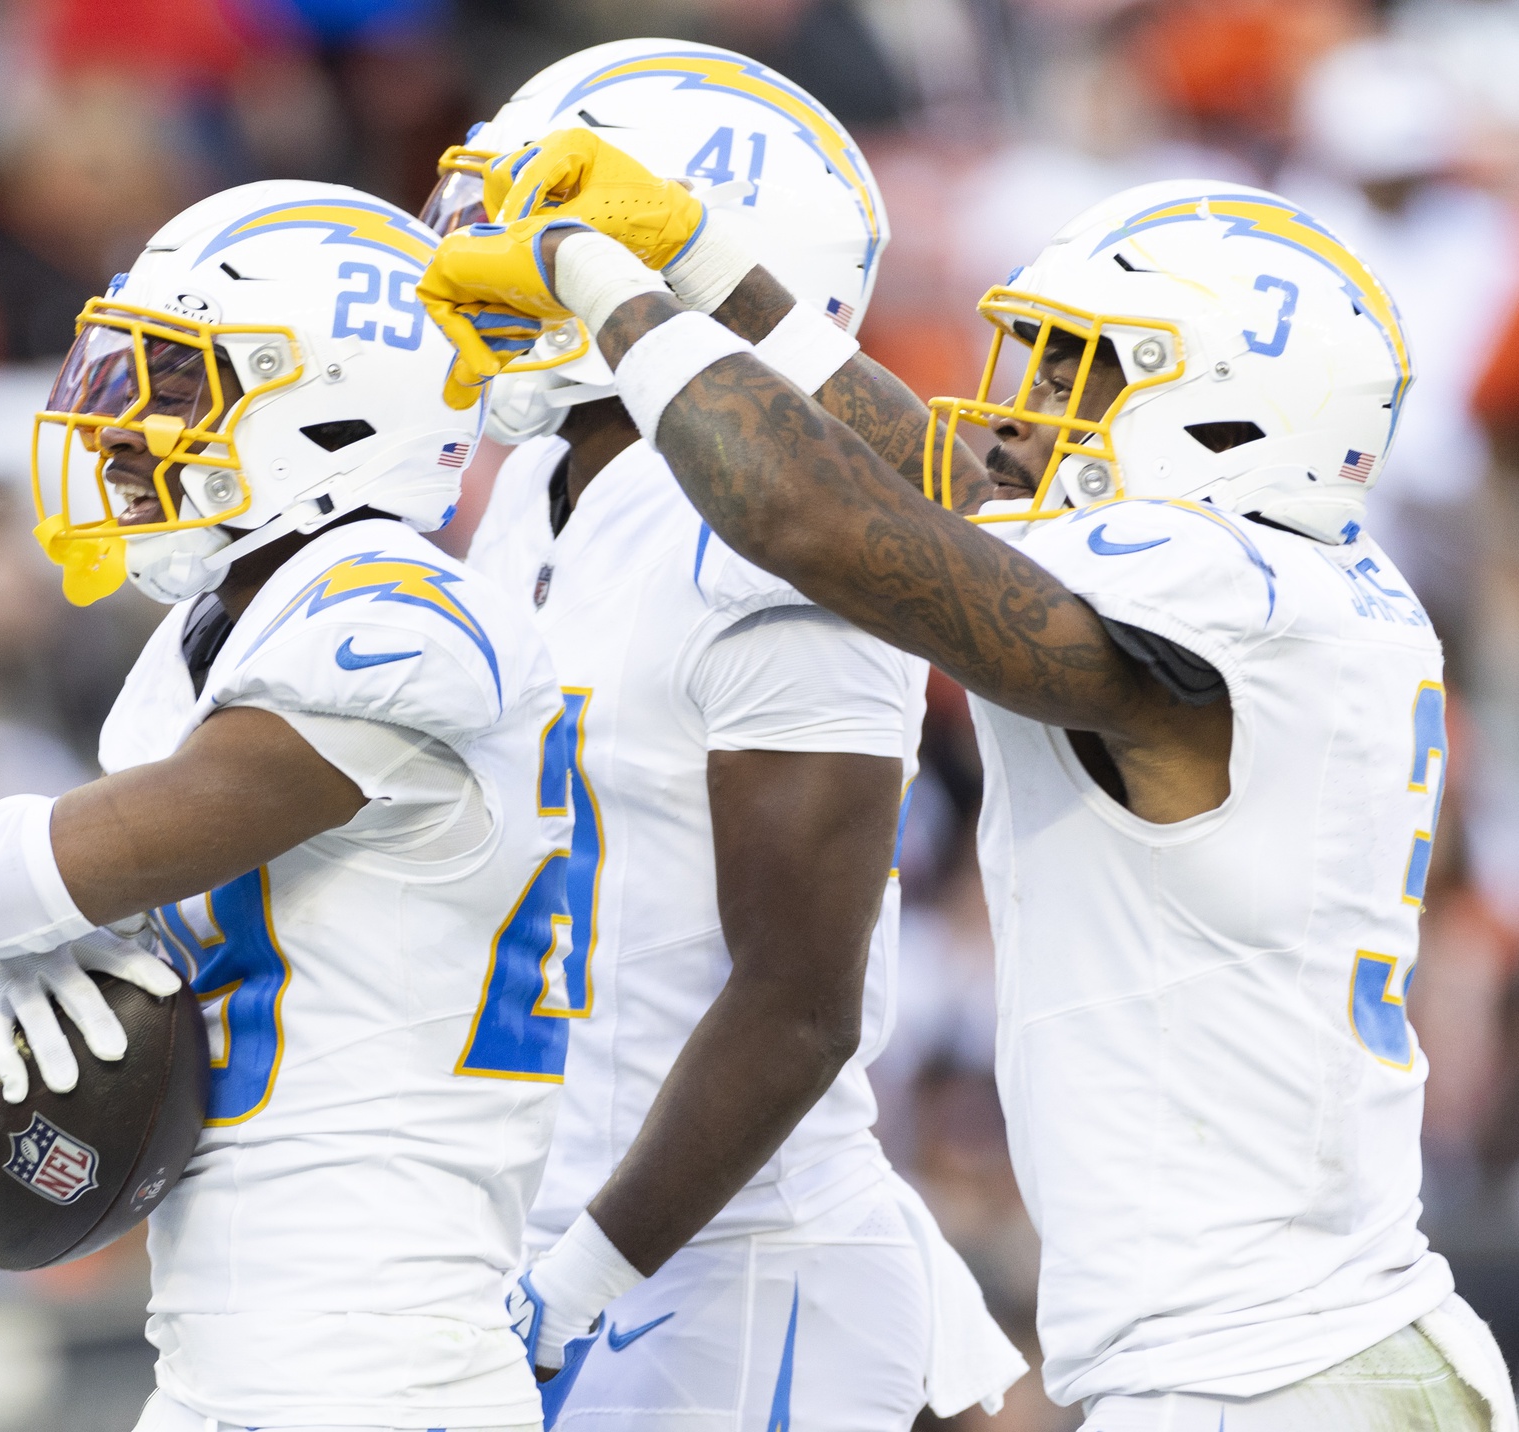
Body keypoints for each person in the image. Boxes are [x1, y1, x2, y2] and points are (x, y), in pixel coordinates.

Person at [419, 143, 1519, 1430]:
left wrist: (609, 294)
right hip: (1306, 1360)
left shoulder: (1226, 603)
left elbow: (816, 522)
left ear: (1231, 409)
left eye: (1079, 368)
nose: (1019, 405)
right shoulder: (1292, 589)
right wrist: (707, 267)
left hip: (1262, 1377)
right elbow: (935, 494)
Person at [0, 179, 573, 1432]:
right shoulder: (215, 636)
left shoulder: (401, 617)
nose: (113, 429)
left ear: (324, 407)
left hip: (379, 1364)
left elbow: (7, 880)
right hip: (229, 1363)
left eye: (171, 383)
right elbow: (4, 975)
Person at [417, 42, 1021, 1431]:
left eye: (551, 227)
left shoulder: (758, 536)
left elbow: (797, 1007)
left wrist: (568, 1286)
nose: (491, 258)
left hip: (732, 1276)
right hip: (562, 1244)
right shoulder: (533, 498)